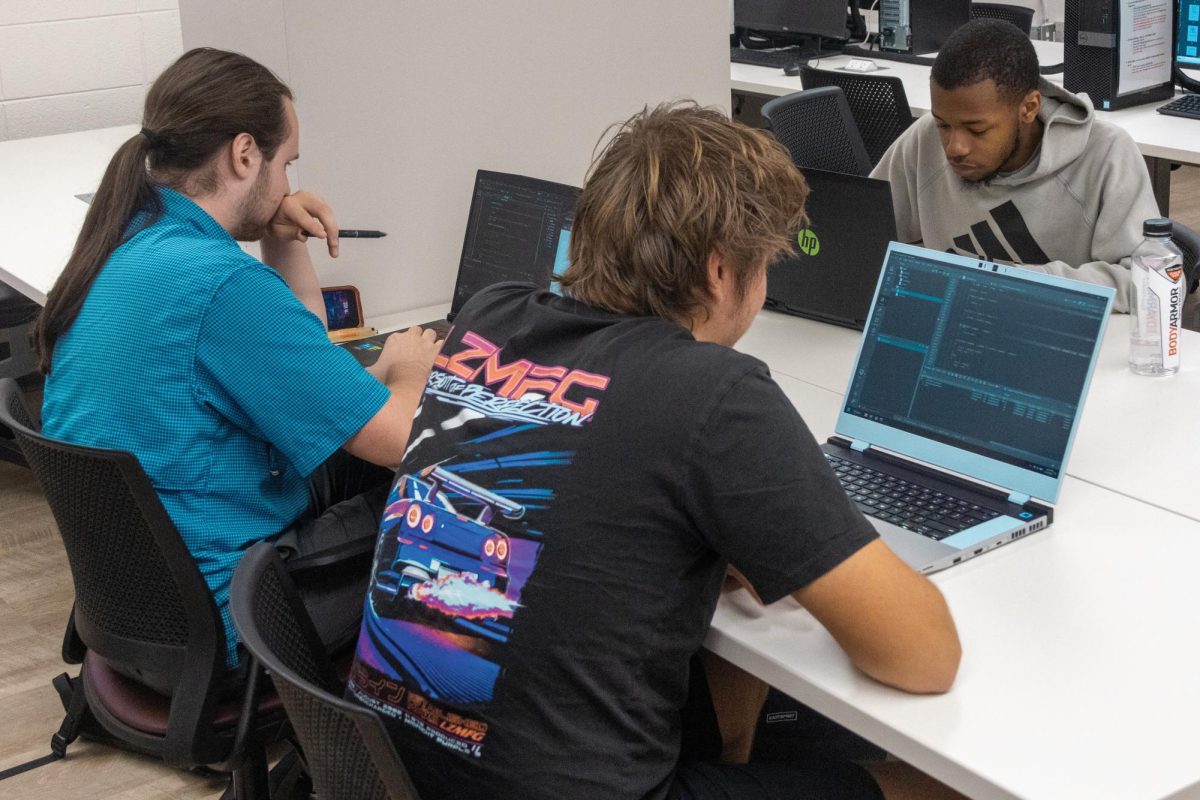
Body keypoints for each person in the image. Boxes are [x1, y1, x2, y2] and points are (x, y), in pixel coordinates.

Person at [346, 102, 963, 800]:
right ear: (721, 272)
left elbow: (584, 490)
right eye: (764, 268)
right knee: (938, 784)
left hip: (401, 769)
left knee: (734, 674)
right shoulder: (713, 396)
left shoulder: (491, 317)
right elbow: (923, 656)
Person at [34, 48, 439, 681]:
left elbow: (296, 367)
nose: (288, 187)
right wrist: (411, 368)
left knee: (349, 457)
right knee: (442, 497)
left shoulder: (126, 237)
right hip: (237, 622)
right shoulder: (219, 286)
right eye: (286, 164)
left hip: (143, 617)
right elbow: (402, 442)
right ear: (245, 154)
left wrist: (278, 241)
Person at [871, 18, 1161, 313]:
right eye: (944, 124)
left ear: (1029, 108)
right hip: (957, 331)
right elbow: (861, 232)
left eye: (977, 130)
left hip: (1060, 340)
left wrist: (1022, 284)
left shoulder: (1106, 153)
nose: (954, 147)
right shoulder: (926, 137)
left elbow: (1150, 281)